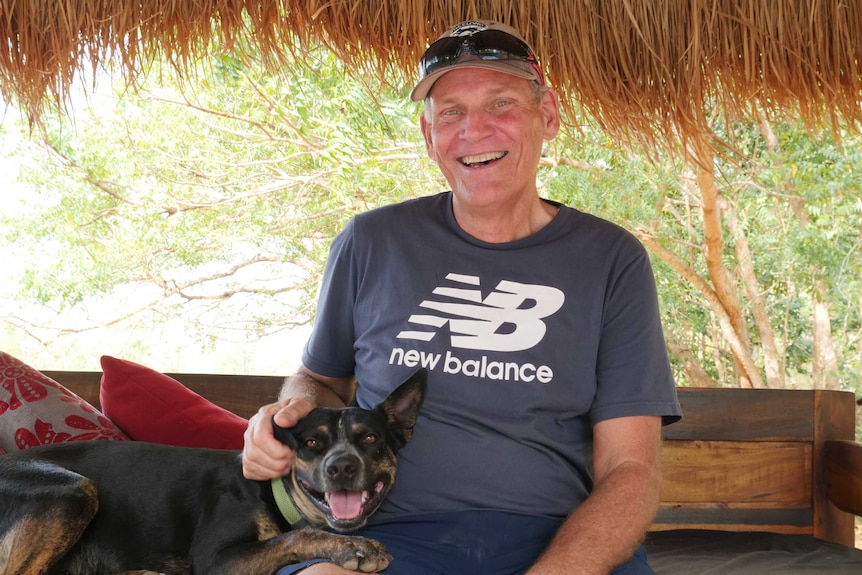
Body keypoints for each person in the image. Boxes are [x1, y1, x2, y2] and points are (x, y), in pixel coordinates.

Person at [242, 19, 682, 575]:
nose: (474, 130)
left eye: (501, 104)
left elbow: (631, 468)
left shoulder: (611, 259)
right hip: (384, 541)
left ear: (547, 117)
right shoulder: (371, 241)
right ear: (430, 138)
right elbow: (321, 381)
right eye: (450, 112)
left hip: (558, 542)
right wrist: (283, 417)